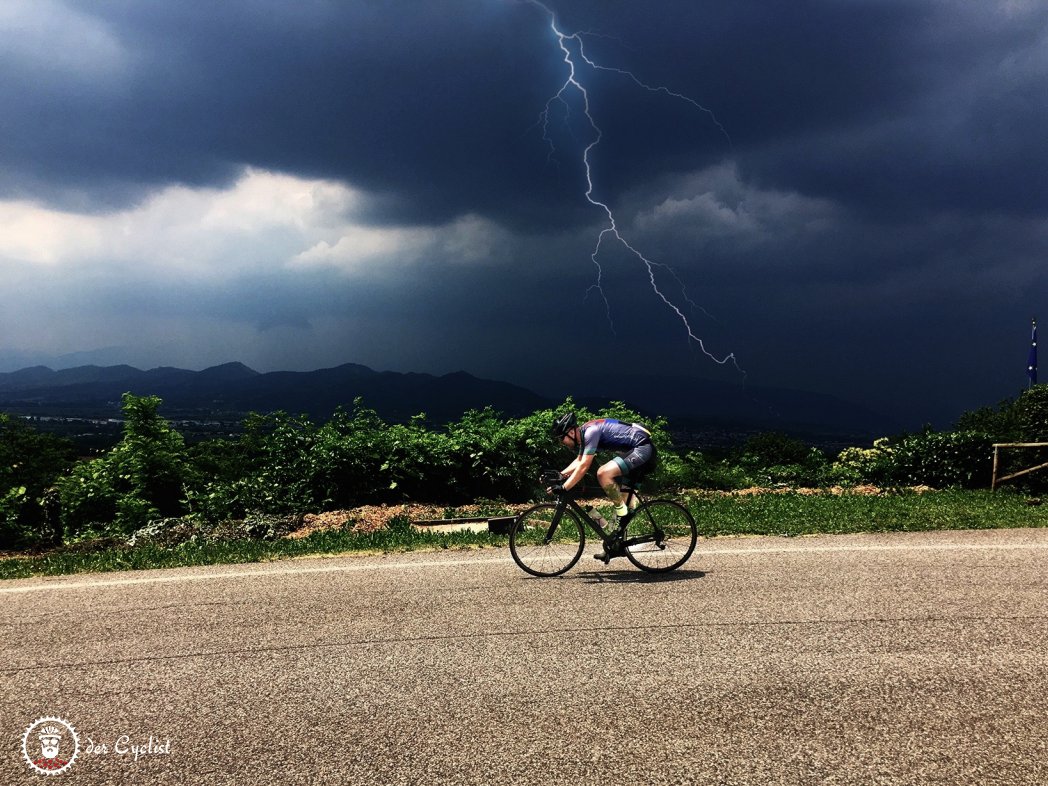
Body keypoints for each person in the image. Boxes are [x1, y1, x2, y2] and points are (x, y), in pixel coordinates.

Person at [549, 411, 657, 559]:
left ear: (571, 432)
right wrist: (561, 475)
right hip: (636, 451)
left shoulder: (590, 432)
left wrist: (565, 487)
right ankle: (614, 547)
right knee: (621, 506)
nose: (562, 442)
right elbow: (579, 460)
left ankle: (622, 511)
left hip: (642, 449)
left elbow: (584, 466)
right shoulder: (585, 434)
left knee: (603, 473)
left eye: (562, 438)